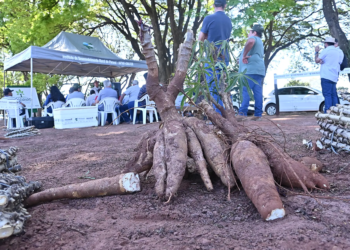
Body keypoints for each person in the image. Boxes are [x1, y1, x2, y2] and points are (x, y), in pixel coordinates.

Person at [198, 0, 232, 114]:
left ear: (214, 5)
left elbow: (200, 38)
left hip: (212, 56)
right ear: (225, 6)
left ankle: (218, 116)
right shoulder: (229, 21)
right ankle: (229, 113)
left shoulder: (208, 18)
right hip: (224, 56)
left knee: (213, 86)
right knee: (224, 85)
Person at [236, 24, 266, 121]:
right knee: (257, 92)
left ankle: (242, 113)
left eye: (250, 32)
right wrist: (240, 58)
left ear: (254, 32)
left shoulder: (254, 38)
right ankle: (258, 114)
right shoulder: (260, 42)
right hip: (259, 70)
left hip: (249, 71)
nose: (249, 34)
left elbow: (250, 41)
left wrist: (244, 55)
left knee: (245, 91)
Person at [315, 37, 344, 113]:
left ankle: (327, 112)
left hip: (326, 75)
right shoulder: (339, 51)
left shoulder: (326, 50)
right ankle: (335, 112)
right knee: (334, 94)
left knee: (327, 95)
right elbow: (339, 62)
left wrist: (316, 52)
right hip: (334, 75)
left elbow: (317, 60)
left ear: (326, 43)